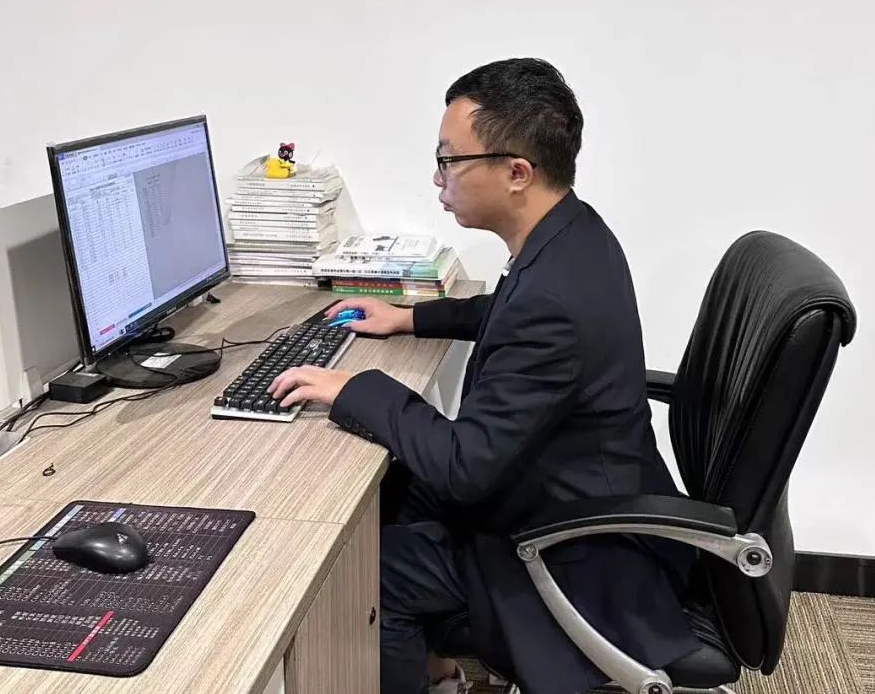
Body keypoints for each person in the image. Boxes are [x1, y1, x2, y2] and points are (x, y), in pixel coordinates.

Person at [270, 58, 697, 694]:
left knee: (363, 575)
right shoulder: (574, 234)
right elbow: (506, 311)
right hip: (571, 487)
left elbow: (465, 466)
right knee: (392, 493)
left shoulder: (553, 297)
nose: (437, 178)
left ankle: (432, 677)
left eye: (449, 160)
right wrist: (410, 318)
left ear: (516, 173)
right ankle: (436, 665)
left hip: (578, 550)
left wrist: (354, 388)